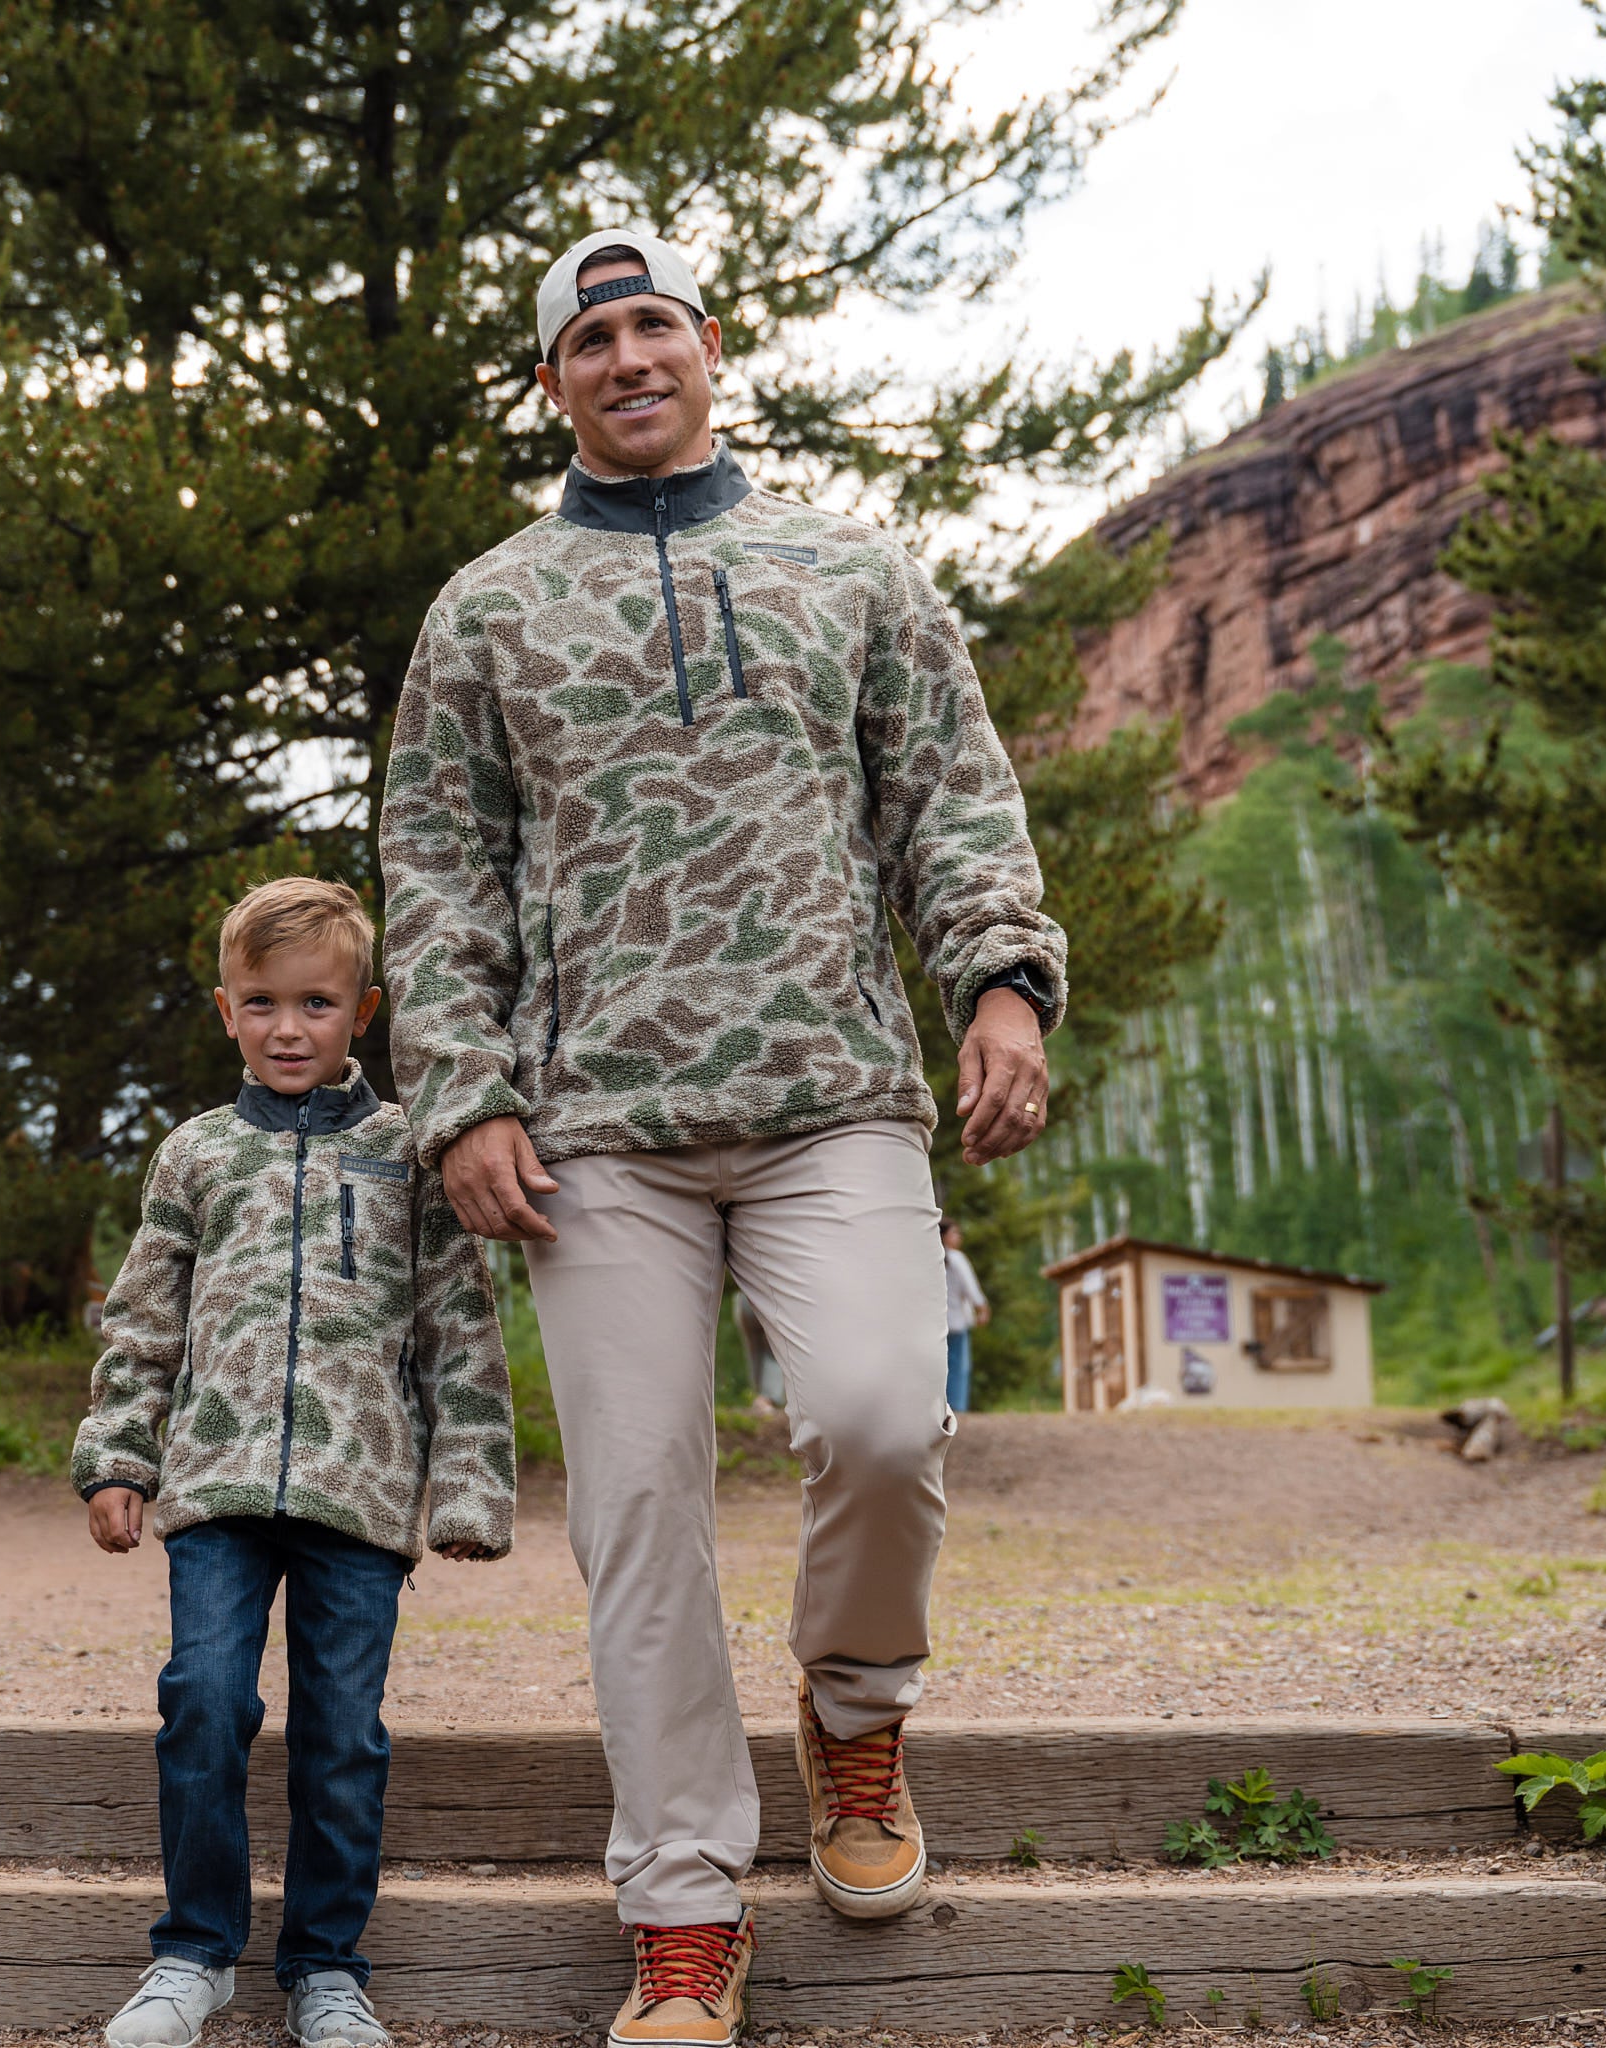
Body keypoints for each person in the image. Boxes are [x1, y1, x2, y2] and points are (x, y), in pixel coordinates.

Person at [378, 226, 1063, 2046]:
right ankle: (683, 1904)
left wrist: (1002, 985)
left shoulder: (852, 571)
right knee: (635, 1511)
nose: (627, 355)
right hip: (593, 1132)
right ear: (554, 382)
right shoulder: (487, 609)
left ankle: (854, 1714)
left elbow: (953, 797)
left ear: (706, 347)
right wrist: (462, 1089)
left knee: (882, 1414)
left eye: (653, 323)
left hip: (833, 1098)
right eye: (590, 336)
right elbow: (436, 868)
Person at [72, 877, 516, 2048]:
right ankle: (194, 1951)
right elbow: (143, 1319)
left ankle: (325, 1965)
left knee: (341, 1739)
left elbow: (459, 1329)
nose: (286, 1027)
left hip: (358, 1498)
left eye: (315, 1002)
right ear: (225, 1009)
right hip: (214, 1490)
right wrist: (118, 1453)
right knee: (203, 1700)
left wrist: (469, 1485)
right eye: (260, 1001)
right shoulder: (195, 1154)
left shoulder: (409, 1154)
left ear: (361, 1010)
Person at [942, 1220, 989, 1414]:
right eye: (955, 1233)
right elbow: (970, 1287)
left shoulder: (930, 1258)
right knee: (958, 1366)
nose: (959, 1237)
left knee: (941, 1366)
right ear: (944, 1236)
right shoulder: (956, 1259)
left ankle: (941, 1407)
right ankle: (956, 1406)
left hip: (937, 1323)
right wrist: (982, 1308)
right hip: (957, 1322)